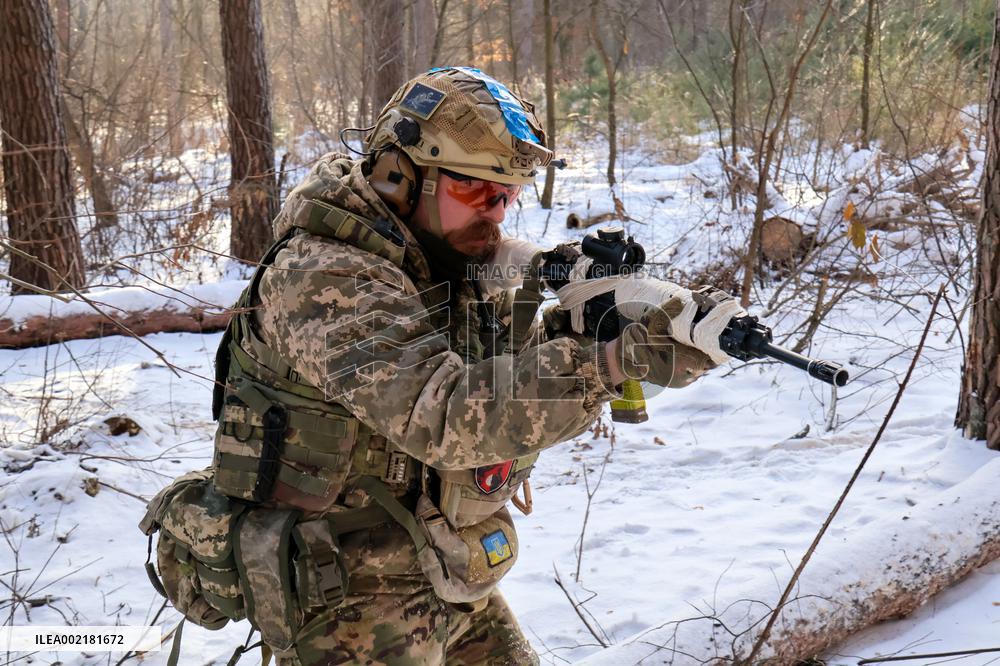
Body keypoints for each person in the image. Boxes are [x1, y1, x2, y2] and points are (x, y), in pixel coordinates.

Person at [144, 67, 714, 666]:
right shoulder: (324, 275)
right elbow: (443, 415)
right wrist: (606, 364)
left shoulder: (438, 252)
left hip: (437, 557)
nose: (496, 214)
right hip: (340, 590)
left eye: (508, 196)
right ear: (398, 177)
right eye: (476, 191)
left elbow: (499, 376)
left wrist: (579, 325)